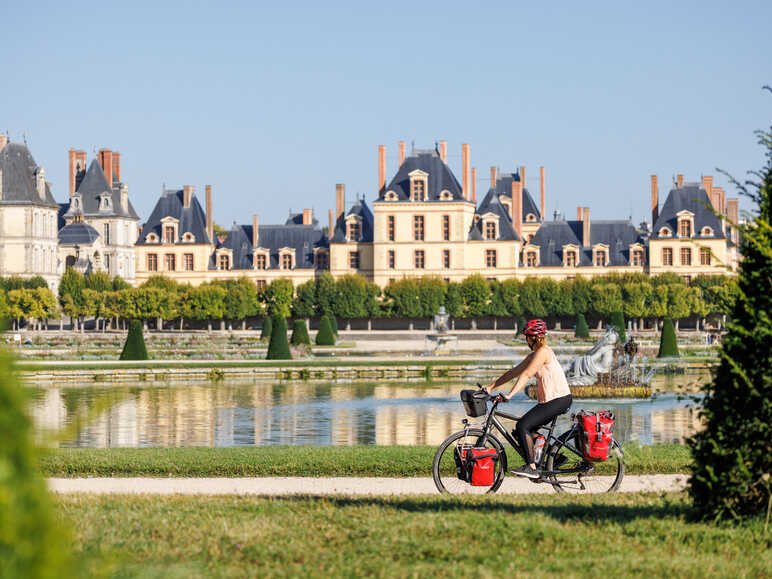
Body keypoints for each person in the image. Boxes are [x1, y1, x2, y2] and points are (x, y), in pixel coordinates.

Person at [484, 319, 572, 479]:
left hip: (559, 399)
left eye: (527, 337)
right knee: (520, 432)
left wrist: (509, 395)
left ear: (534, 338)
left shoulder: (543, 352)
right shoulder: (534, 355)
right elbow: (514, 372)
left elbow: (527, 374)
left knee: (523, 425)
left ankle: (532, 467)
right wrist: (491, 387)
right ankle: (556, 457)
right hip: (552, 400)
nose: (526, 340)